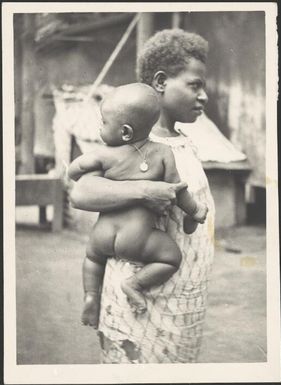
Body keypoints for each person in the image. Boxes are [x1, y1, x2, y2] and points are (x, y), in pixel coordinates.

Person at [70, 28, 215, 363]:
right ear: (161, 81)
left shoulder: (181, 142)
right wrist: (145, 189)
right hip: (141, 289)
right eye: (195, 85)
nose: (204, 96)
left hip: (183, 291)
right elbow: (82, 190)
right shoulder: (121, 146)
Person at [68, 82, 208, 326]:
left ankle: (91, 295)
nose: (100, 128)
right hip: (137, 238)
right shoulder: (163, 153)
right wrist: (195, 211)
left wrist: (74, 168)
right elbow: (177, 190)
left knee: (92, 259)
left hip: (102, 235)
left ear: (124, 133)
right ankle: (135, 284)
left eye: (104, 123)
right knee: (170, 258)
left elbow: (73, 170)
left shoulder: (105, 154)